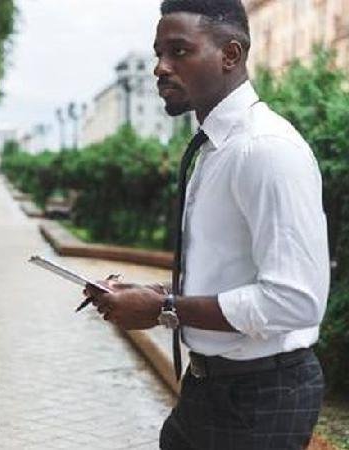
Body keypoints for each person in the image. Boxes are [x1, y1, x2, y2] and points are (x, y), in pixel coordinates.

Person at [86, 0, 330, 448]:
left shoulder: (266, 149)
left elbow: (295, 301)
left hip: (261, 396)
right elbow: (230, 272)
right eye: (158, 53)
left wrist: (165, 310)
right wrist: (152, 297)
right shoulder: (216, 147)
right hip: (208, 388)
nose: (160, 67)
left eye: (178, 51)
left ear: (230, 55)